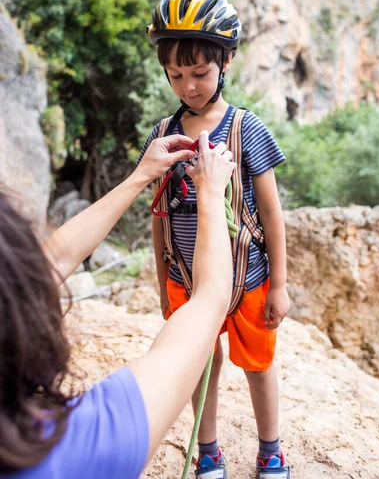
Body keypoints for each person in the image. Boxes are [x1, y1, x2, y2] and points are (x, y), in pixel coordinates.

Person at [0, 131, 236, 478]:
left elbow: (54, 261)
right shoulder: (77, 448)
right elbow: (211, 298)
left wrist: (142, 175)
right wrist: (212, 191)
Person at [139, 0, 291, 478]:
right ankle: (208, 452)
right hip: (187, 279)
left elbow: (271, 212)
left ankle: (270, 449)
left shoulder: (247, 129)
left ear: (225, 61)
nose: (188, 86)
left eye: (200, 73)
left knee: (258, 365)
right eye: (176, 75)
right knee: (199, 365)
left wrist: (281, 285)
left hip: (248, 279)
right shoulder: (164, 135)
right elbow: (159, 216)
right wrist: (163, 281)